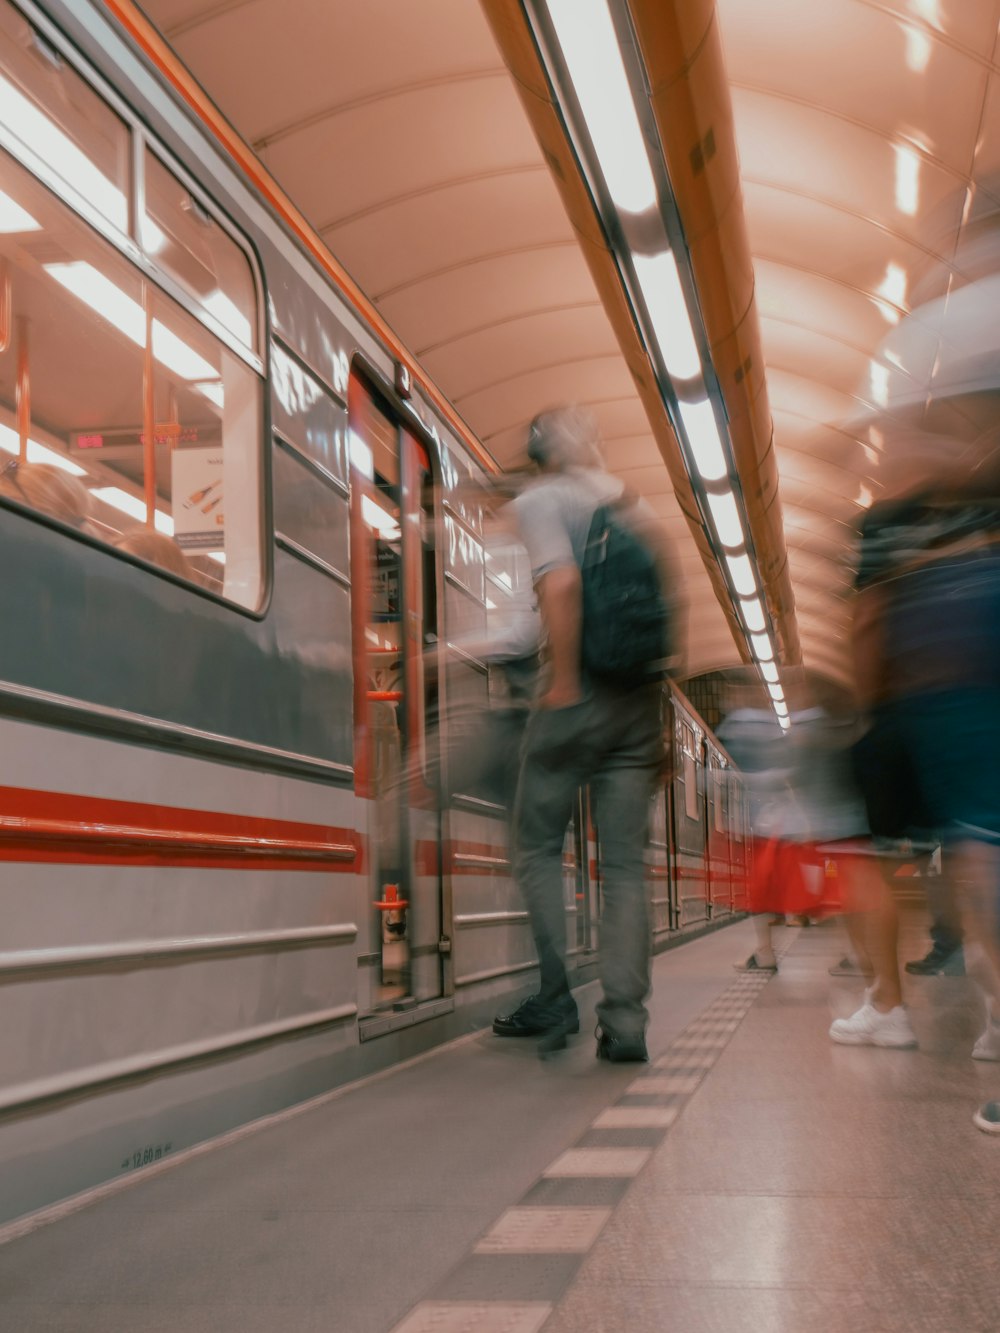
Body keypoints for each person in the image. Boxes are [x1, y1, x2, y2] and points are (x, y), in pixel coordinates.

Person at [491, 405, 679, 1061]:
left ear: (539, 456)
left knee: (537, 845)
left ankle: (556, 995)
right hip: (637, 702)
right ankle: (625, 1024)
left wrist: (563, 679)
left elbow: (562, 583)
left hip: (582, 694)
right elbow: (663, 621)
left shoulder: (544, 498)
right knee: (626, 867)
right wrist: (659, 729)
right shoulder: (637, 504)